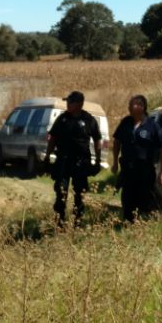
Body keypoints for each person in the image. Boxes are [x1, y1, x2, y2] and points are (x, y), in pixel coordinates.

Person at [44, 91, 101, 225]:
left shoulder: (89, 120)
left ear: (79, 104)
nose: (67, 104)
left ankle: (78, 222)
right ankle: (59, 222)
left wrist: (97, 160)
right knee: (61, 192)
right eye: (67, 102)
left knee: (80, 194)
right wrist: (47, 156)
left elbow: (97, 139)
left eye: (70, 102)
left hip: (81, 162)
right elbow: (52, 138)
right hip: (63, 161)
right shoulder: (62, 119)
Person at [111, 94, 162, 223]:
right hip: (128, 169)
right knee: (127, 198)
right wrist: (114, 162)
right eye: (130, 104)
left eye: (133, 104)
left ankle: (143, 224)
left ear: (142, 107)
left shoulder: (152, 126)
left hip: (145, 170)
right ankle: (128, 223)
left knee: (144, 199)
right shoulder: (125, 122)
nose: (129, 107)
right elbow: (117, 142)